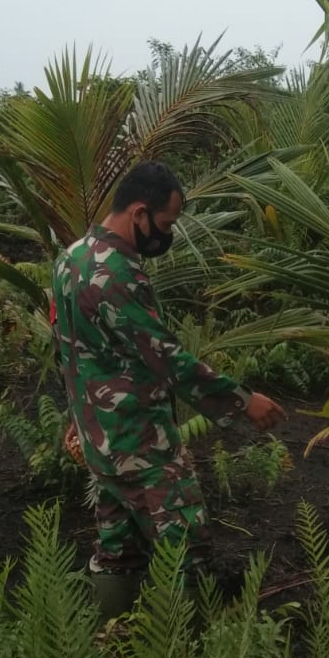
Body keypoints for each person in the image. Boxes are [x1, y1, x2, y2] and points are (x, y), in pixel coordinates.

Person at [49, 160, 285, 615]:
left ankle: (115, 647)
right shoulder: (116, 273)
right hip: (139, 442)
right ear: (139, 213)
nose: (167, 235)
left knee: (118, 546)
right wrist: (243, 402)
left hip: (101, 440)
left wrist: (76, 420)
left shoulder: (71, 257)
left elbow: (71, 350)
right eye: (165, 223)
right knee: (187, 546)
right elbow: (168, 359)